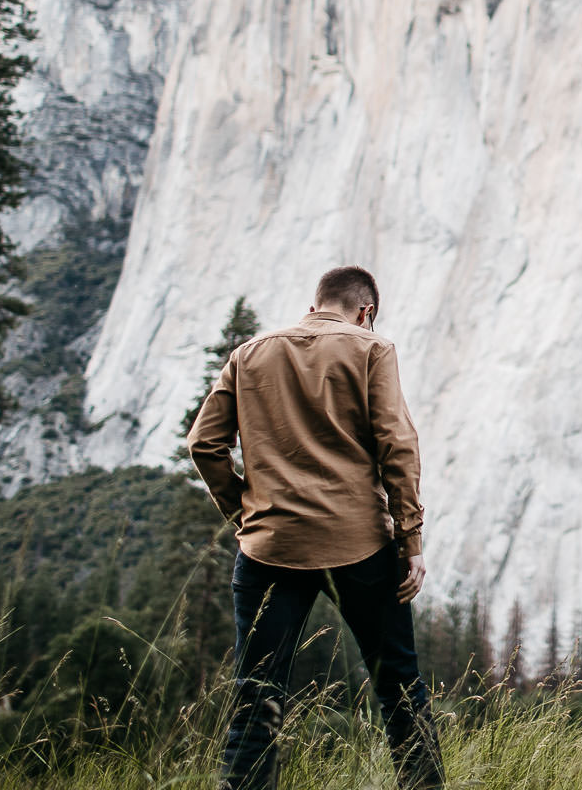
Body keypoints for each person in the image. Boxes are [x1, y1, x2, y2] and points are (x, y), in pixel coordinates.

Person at [188, 265, 443, 790]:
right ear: (365, 312)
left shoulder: (249, 354)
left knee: (257, 697)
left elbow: (204, 444)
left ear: (314, 305)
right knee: (399, 688)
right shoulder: (372, 349)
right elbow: (397, 446)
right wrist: (410, 538)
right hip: (361, 544)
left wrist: (246, 512)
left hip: (270, 547)